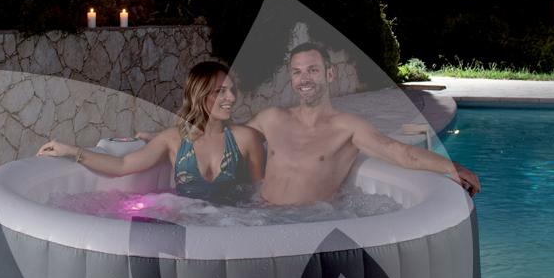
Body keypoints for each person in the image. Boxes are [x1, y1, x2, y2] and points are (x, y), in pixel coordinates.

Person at [244, 42, 481, 205]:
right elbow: (231, 141)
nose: (304, 79)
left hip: (304, 223)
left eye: (312, 70)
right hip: (258, 216)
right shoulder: (271, 118)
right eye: (297, 72)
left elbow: (398, 152)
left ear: (329, 74)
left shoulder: (347, 127)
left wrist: (452, 167)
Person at [36, 60, 265, 199]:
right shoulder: (173, 140)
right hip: (189, 226)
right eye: (221, 91)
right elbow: (122, 165)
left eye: (232, 90)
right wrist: (71, 151)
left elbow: (260, 194)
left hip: (230, 225)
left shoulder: (246, 138)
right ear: (200, 94)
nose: (231, 97)